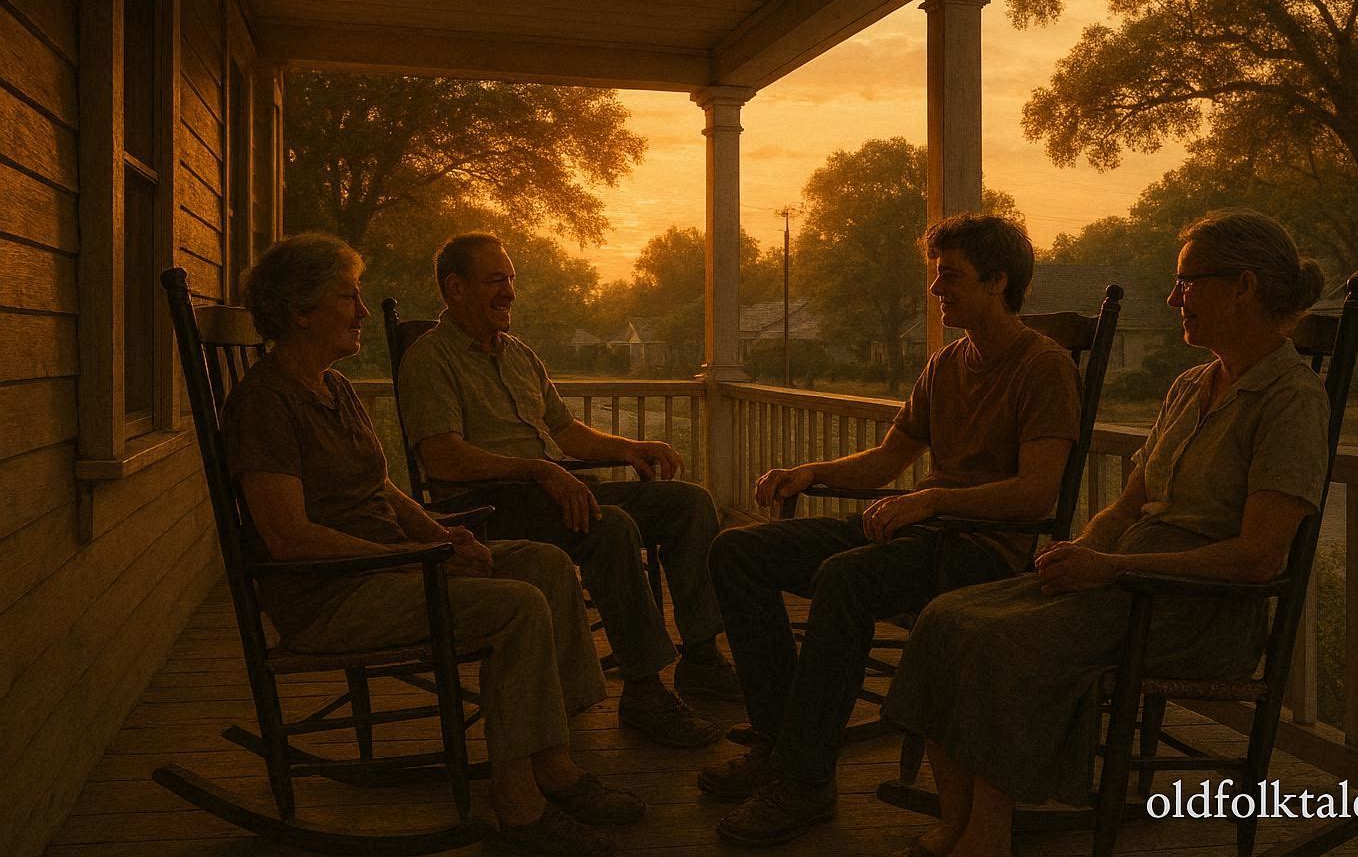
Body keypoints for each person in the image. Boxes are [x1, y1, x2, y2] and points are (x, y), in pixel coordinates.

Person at [880, 209, 1332, 857]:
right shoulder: (1189, 385)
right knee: (946, 619)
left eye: (1187, 282)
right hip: (1122, 575)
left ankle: (989, 832)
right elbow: (1128, 507)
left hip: (1196, 608)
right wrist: (1081, 550)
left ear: (1244, 287)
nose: (1174, 297)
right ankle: (956, 818)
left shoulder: (1290, 400)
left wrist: (1112, 571)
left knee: (1001, 640)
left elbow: (1259, 557)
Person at [221, 233, 641, 857]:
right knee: (516, 606)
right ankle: (520, 807)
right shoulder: (264, 403)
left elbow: (383, 489)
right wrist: (419, 558)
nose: (363, 312)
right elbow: (288, 538)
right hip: (330, 597)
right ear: (301, 311)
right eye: (349, 297)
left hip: (394, 568)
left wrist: (440, 534)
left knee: (547, 564)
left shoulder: (335, 389)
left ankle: (554, 762)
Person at [699, 214, 1083, 847]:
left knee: (845, 579)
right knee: (738, 551)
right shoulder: (945, 365)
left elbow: (1037, 493)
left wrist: (930, 501)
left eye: (951, 277)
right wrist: (810, 471)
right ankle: (780, 742)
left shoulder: (1042, 367)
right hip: (924, 531)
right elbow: (885, 461)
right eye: (936, 275)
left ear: (997, 281)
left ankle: (805, 782)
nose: (936, 290)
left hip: (983, 550)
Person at [396, 232, 737, 751]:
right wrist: (538, 471)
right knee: (610, 526)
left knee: (689, 503)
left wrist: (628, 447)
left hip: (555, 491)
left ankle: (702, 657)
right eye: (496, 280)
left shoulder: (518, 355)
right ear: (455, 288)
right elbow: (442, 457)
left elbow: (566, 431)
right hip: (487, 508)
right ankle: (644, 691)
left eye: (511, 279)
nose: (510, 291)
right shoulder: (430, 359)